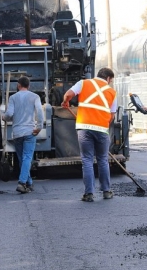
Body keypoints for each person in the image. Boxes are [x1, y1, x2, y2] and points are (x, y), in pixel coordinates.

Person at [61, 67, 117, 202]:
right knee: (103, 159)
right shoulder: (112, 92)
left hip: (84, 128)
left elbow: (68, 94)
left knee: (87, 160)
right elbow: (112, 116)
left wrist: (66, 101)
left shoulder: (83, 83)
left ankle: (89, 194)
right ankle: (106, 191)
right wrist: (102, 124)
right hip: (102, 129)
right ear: (108, 78)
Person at [3, 76, 44, 193]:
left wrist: (3, 117)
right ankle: (22, 183)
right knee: (27, 158)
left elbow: (9, 114)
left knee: (22, 159)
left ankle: (29, 183)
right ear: (29, 86)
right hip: (30, 131)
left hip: (17, 133)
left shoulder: (13, 97)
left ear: (18, 85)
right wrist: (40, 127)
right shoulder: (35, 97)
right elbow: (40, 112)